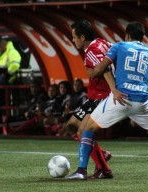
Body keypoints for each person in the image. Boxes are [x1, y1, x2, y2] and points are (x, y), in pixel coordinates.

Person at [67, 21, 148, 180]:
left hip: (119, 98)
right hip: (141, 100)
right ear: (142, 37)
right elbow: (147, 77)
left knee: (87, 129)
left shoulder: (119, 46)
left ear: (127, 35)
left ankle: (81, 171)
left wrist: (100, 77)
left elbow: (101, 69)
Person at [64, 20, 114, 179]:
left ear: (83, 37)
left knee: (83, 131)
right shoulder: (102, 42)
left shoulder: (91, 50)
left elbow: (104, 67)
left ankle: (100, 170)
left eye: (74, 37)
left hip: (102, 96)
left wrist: (94, 73)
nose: (73, 40)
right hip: (93, 96)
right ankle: (100, 153)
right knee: (71, 125)